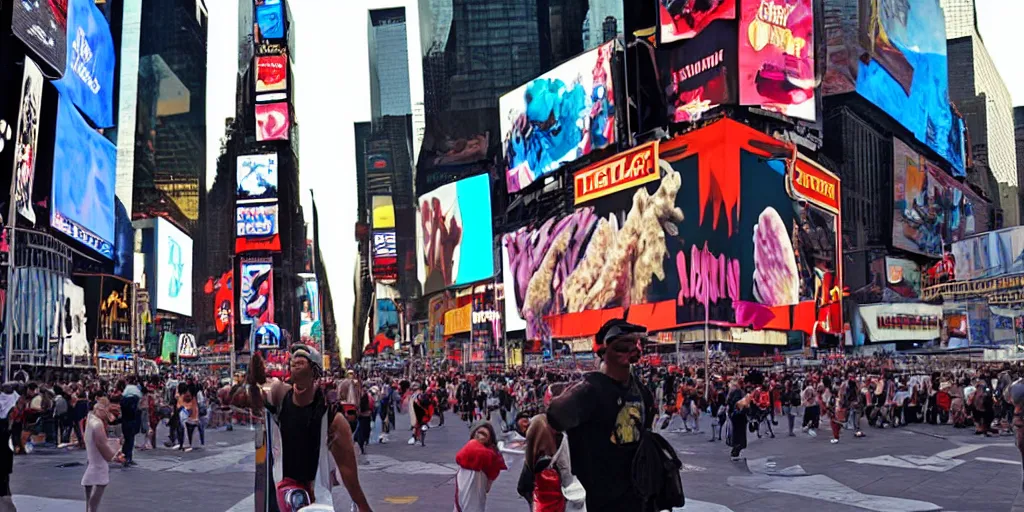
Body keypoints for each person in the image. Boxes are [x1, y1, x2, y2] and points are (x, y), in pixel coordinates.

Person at [546, 319, 656, 512]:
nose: (630, 349)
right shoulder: (590, 391)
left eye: (634, 344)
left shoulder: (641, 392)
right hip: (602, 496)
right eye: (622, 345)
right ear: (605, 350)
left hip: (637, 492)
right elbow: (556, 416)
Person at [248, 344, 373, 512]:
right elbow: (253, 399)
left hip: (315, 489)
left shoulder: (332, 419)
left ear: (315, 372)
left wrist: (364, 507)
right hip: (283, 483)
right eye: (294, 362)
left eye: (303, 362)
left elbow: (348, 471)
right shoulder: (280, 393)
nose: (297, 364)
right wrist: (253, 381)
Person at [454, 422, 507, 512]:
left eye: (484, 435)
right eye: (479, 433)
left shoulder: (487, 452)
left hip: (476, 483)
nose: (480, 437)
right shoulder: (486, 451)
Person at [82, 397, 121, 512]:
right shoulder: (97, 424)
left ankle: (88, 509)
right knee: (100, 485)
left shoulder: (90, 419)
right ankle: (91, 510)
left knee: (89, 484)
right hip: (99, 462)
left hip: (93, 459)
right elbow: (102, 445)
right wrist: (113, 456)